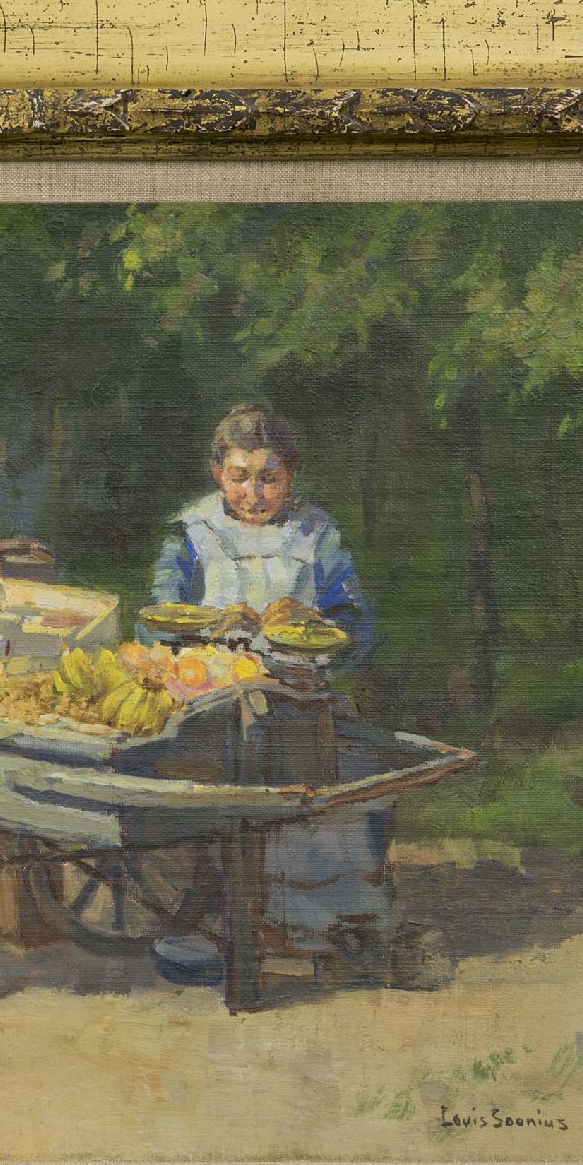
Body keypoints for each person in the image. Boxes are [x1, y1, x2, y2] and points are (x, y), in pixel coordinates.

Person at [147, 403, 449, 990]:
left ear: (290, 474)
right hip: (212, 703)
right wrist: (207, 633)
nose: (254, 493)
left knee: (347, 779)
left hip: (303, 698)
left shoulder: (316, 535)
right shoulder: (192, 534)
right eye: (240, 477)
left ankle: (336, 927)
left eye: (270, 478)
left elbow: (356, 625)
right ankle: (234, 924)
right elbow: (158, 619)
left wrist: (313, 634)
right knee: (232, 788)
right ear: (217, 472)